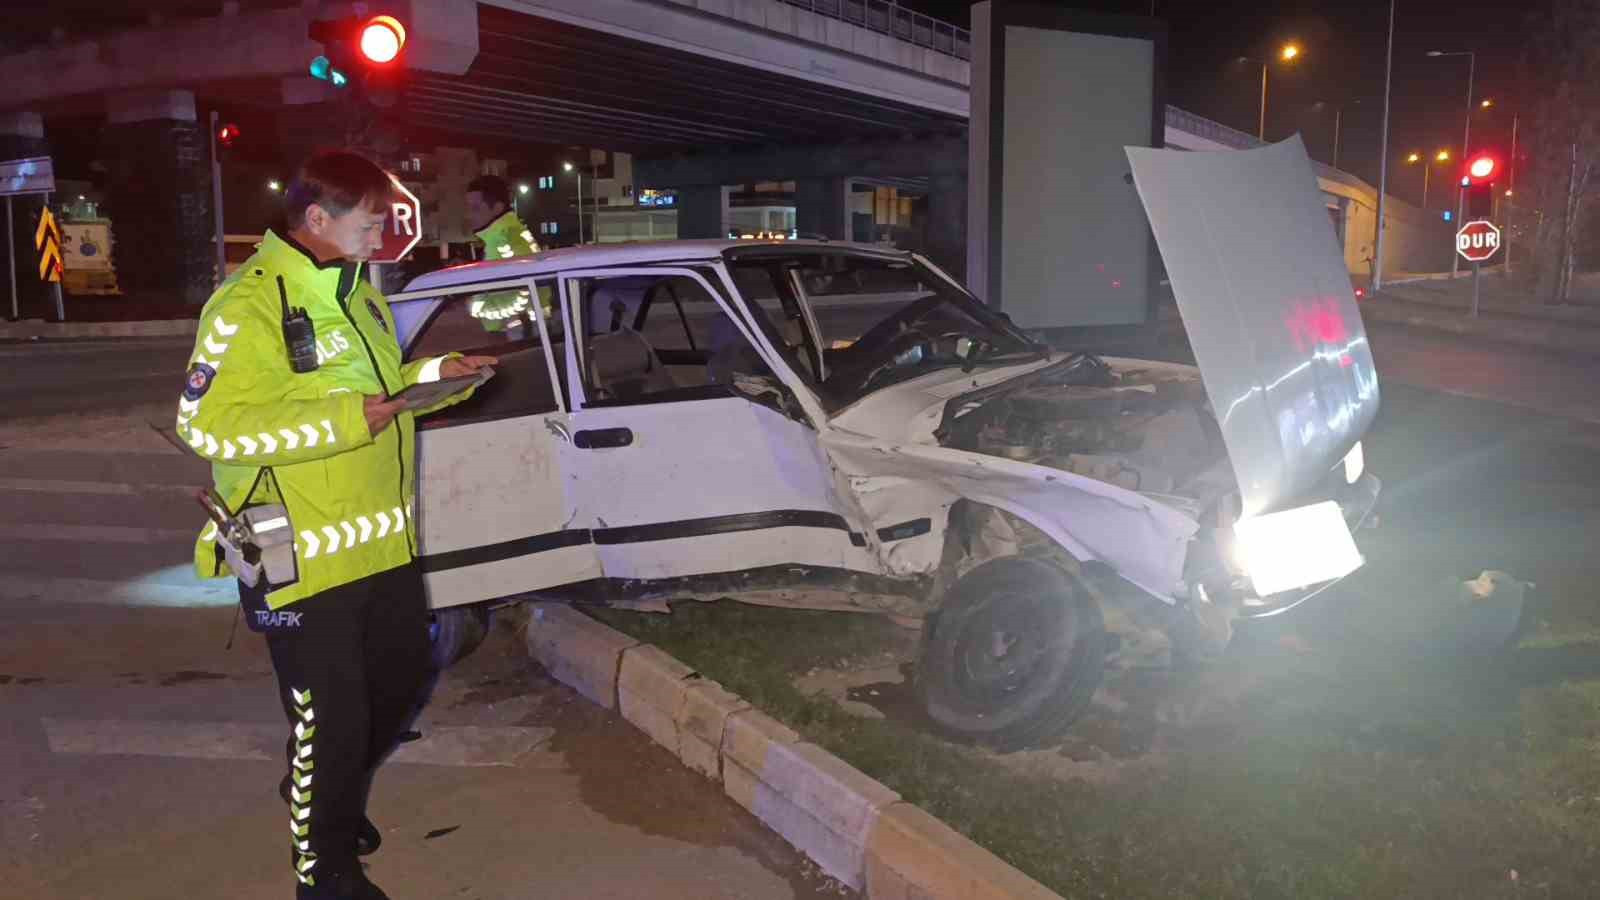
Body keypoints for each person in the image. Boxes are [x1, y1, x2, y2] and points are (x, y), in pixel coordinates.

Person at [175, 150, 496, 899]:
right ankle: (324, 873)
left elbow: (381, 393)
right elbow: (207, 427)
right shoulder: (245, 305)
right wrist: (344, 422)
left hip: (382, 543)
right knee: (333, 713)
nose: (382, 228)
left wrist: (435, 379)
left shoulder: (360, 293)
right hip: (298, 551)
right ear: (317, 219)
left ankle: (323, 792)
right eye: (369, 217)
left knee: (404, 680)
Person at [463, 174, 543, 339]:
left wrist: (478, 307)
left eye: (476, 208)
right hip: (523, 327)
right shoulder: (508, 233)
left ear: (497, 208)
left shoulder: (503, 239)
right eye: (468, 208)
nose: (469, 215)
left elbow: (522, 291)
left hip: (520, 330)